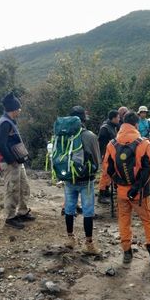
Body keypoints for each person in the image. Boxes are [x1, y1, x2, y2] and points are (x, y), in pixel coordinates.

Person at [102, 111, 150, 266]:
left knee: (124, 221)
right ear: (136, 125)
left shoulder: (112, 144)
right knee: (147, 220)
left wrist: (117, 181)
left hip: (121, 192)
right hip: (140, 193)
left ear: (122, 124)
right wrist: (136, 188)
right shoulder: (144, 143)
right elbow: (149, 169)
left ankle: (127, 253)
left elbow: (107, 168)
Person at [63, 106, 102, 254]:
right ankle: (89, 244)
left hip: (68, 178)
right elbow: (97, 160)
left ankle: (70, 239)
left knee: (69, 208)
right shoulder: (90, 136)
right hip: (86, 180)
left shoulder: (64, 134)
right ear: (83, 119)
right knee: (88, 211)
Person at [0, 92, 35, 230]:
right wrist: (11, 160)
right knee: (12, 189)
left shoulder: (10, 121)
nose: (20, 110)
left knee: (24, 187)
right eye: (18, 108)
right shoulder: (4, 123)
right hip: (10, 162)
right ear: (13, 109)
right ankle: (10, 217)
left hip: (17, 162)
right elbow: (1, 145)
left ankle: (23, 212)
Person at [97, 110, 120, 204]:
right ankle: (101, 194)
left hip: (111, 154)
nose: (119, 119)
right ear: (113, 118)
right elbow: (101, 144)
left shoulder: (113, 127)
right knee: (105, 175)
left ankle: (106, 191)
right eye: (118, 117)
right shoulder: (105, 128)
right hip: (106, 154)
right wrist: (104, 155)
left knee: (110, 174)